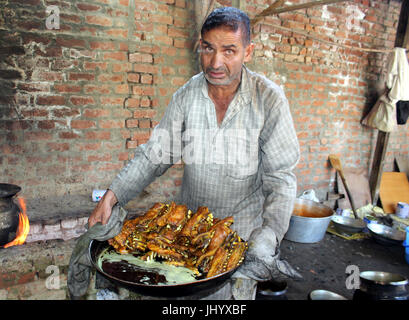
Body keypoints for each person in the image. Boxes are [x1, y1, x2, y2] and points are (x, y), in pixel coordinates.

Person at [88, 7, 300, 299]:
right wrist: (112, 196)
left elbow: (281, 178)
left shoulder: (268, 100)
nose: (216, 62)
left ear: (247, 52)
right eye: (208, 49)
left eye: (229, 51)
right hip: (183, 233)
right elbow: (155, 154)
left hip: (237, 242)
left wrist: (270, 235)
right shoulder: (187, 95)